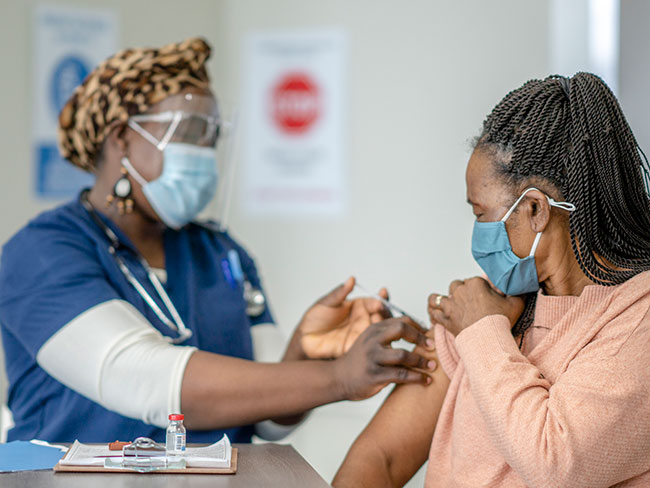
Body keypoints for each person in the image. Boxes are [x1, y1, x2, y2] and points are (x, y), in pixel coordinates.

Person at [0, 37, 435, 444]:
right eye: (189, 132)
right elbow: (145, 380)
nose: (203, 152)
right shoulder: (40, 254)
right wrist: (339, 377)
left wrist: (304, 351)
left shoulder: (220, 251)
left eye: (212, 135)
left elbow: (268, 418)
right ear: (121, 139)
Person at [333, 73, 650, 487]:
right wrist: (480, 323)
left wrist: (483, 330)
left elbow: (555, 465)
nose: (477, 231)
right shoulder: (493, 299)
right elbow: (381, 457)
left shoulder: (635, 321)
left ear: (535, 210)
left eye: (480, 213)